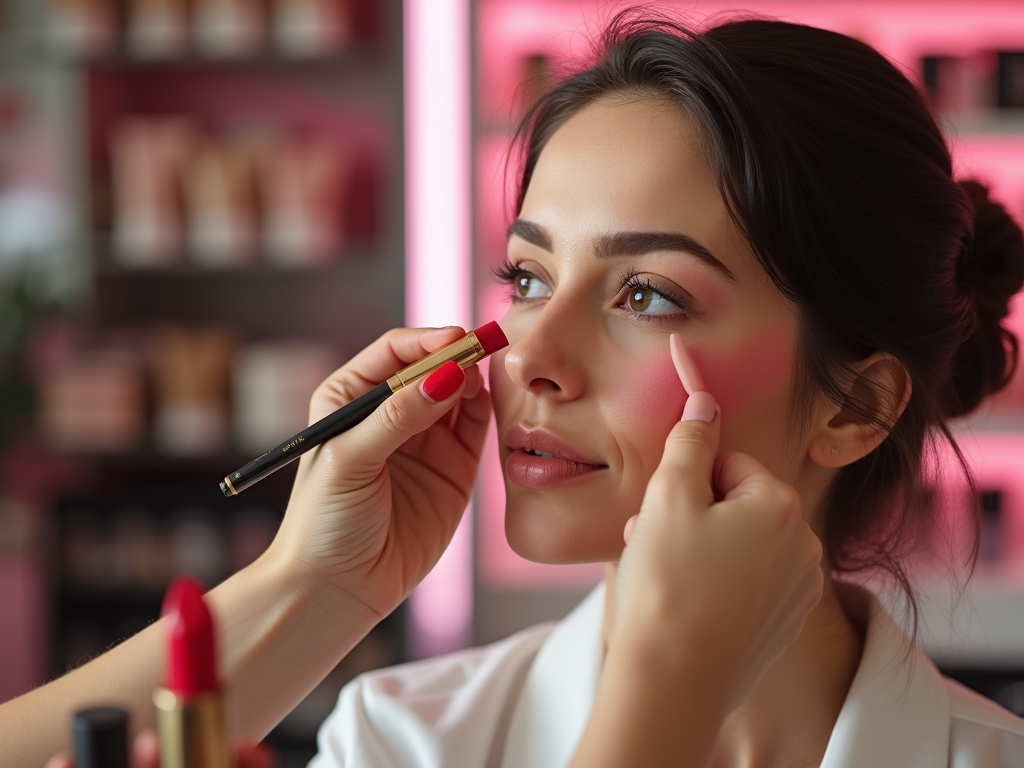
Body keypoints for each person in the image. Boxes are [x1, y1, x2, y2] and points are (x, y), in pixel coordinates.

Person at [1, 8, 1021, 767]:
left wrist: (665, 693)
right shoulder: (399, 742)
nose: (531, 354)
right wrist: (313, 584)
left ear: (855, 406)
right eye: (527, 278)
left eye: (648, 294)